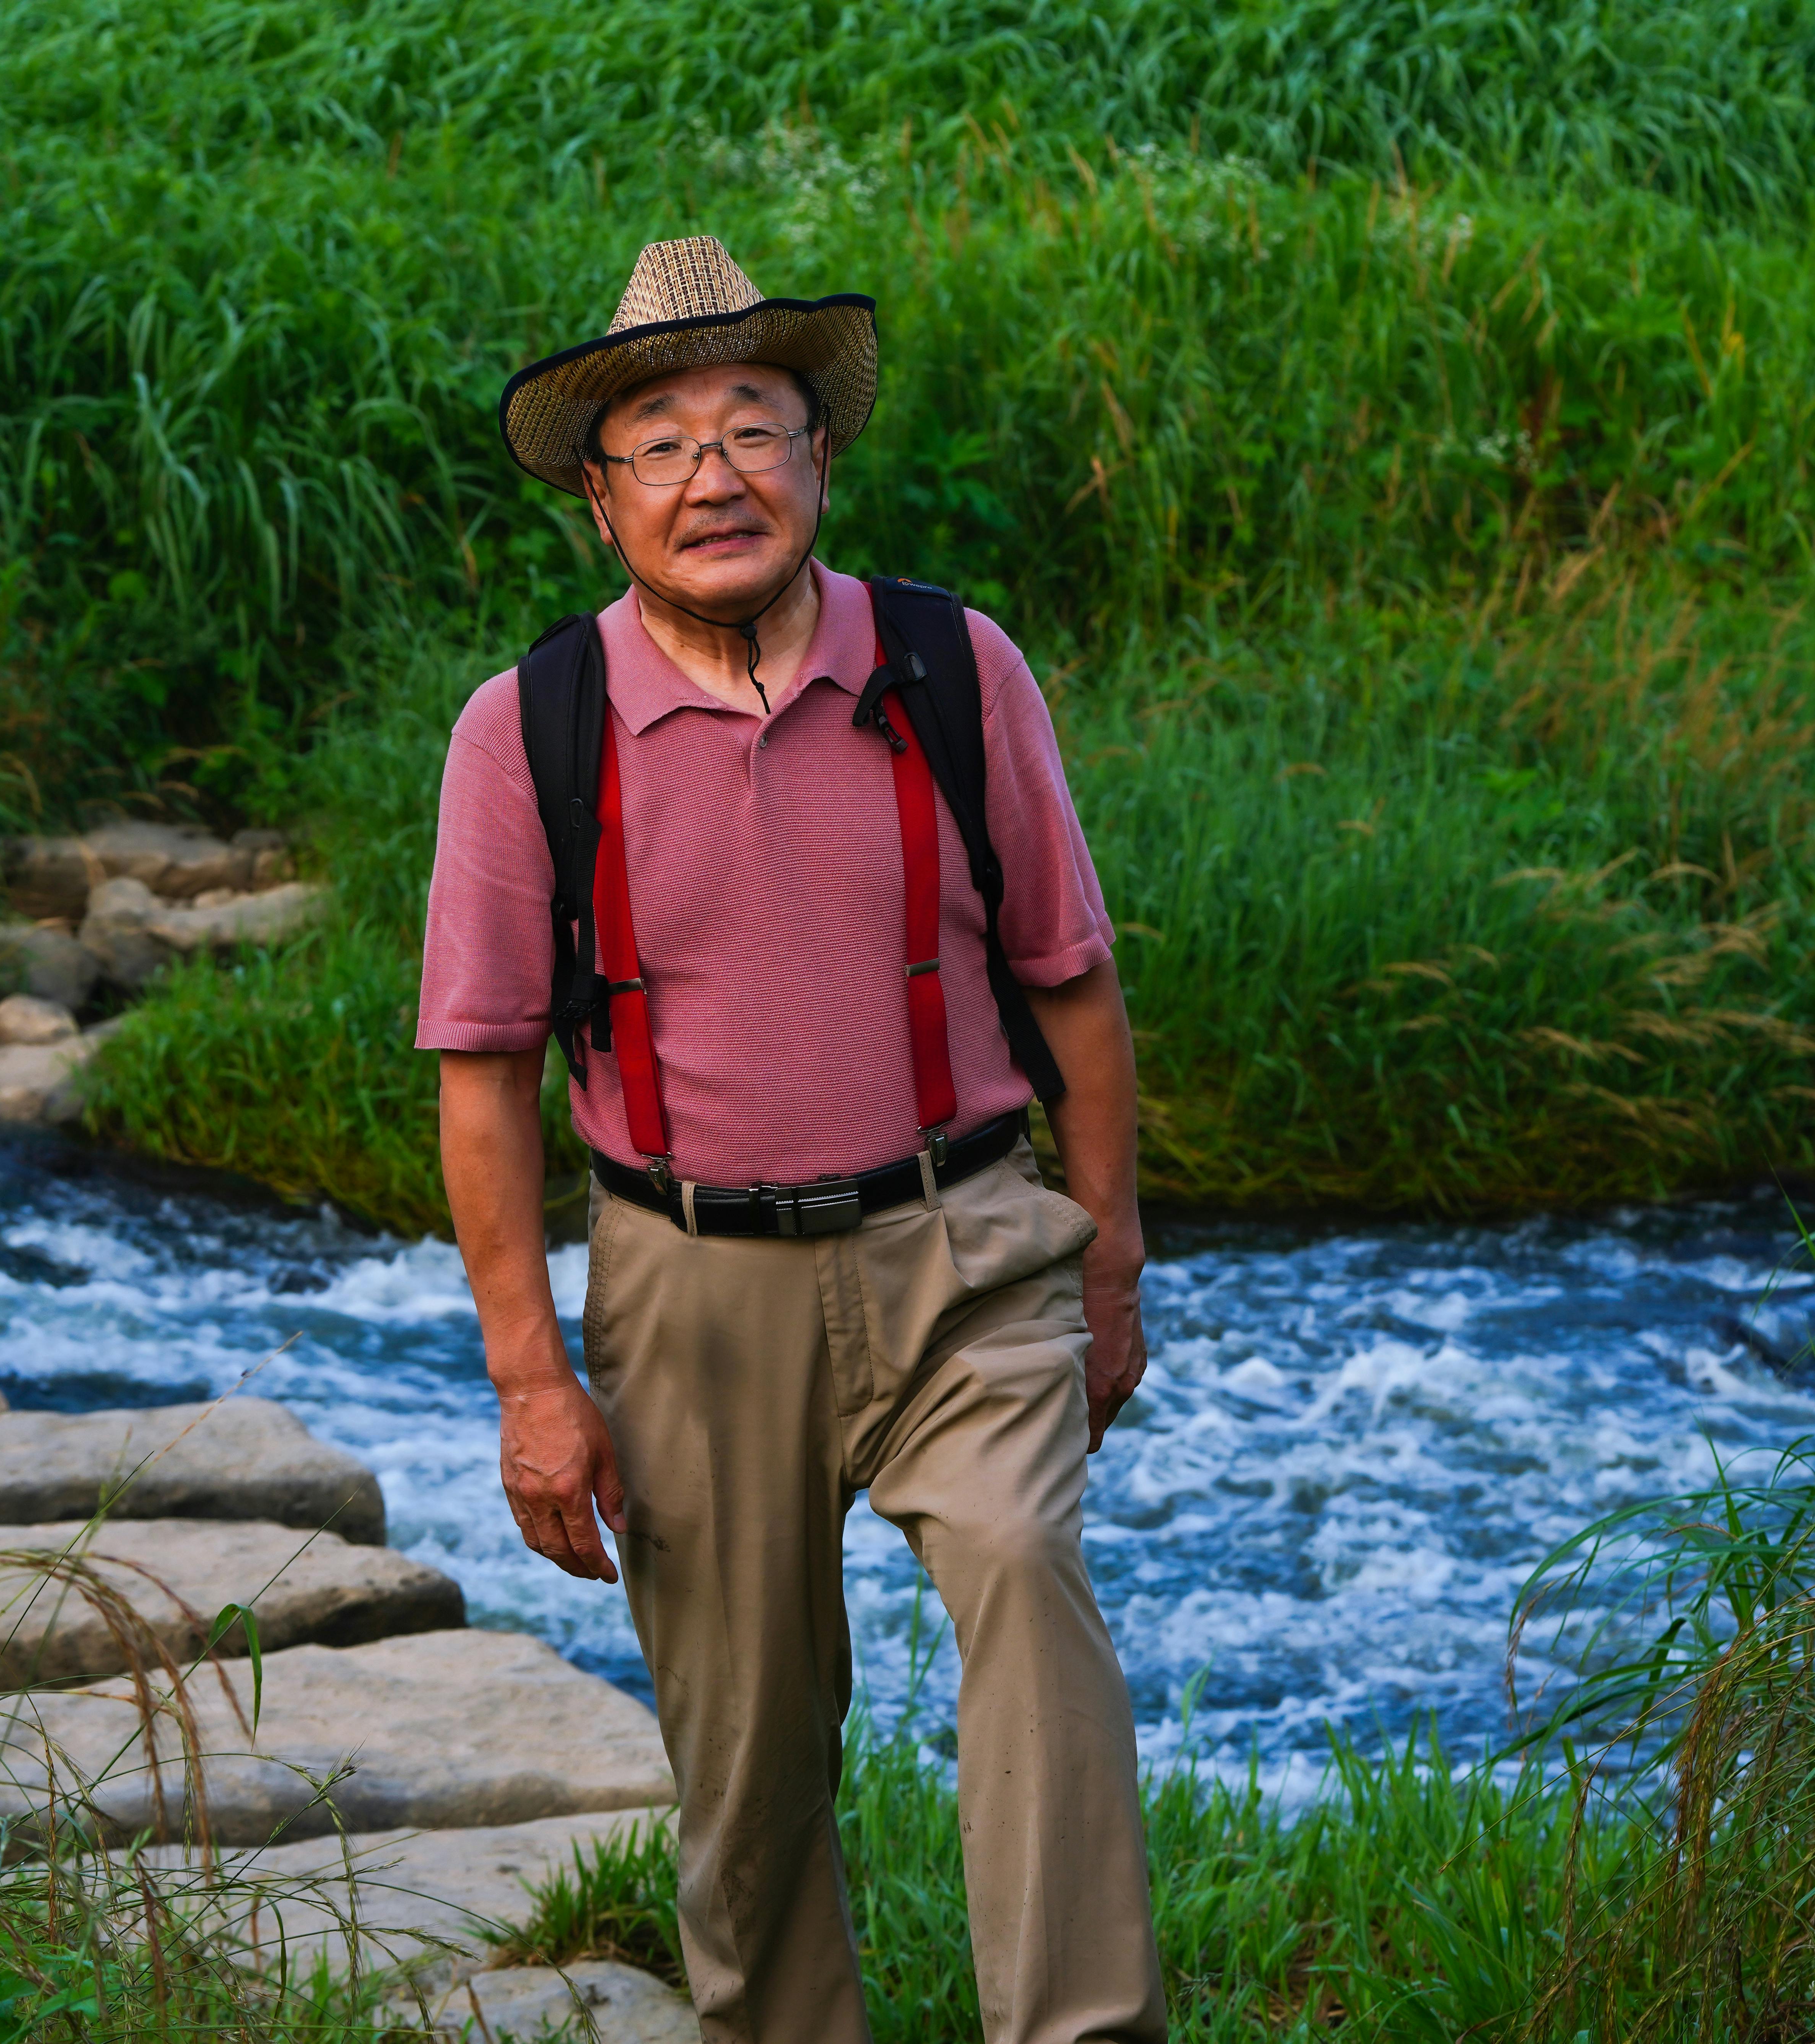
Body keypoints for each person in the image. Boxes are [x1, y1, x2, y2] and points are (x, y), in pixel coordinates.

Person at [419, 235, 1167, 2044]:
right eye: (659, 444)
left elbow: (1071, 982)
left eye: (749, 428)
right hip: (684, 1282)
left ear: (817, 462)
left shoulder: (950, 667)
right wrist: (531, 1377)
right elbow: (480, 1071)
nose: (710, 477)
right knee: (747, 1757)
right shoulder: (530, 728)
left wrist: (1114, 1248)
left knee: (1023, 1575)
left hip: (966, 1243)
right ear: (603, 506)